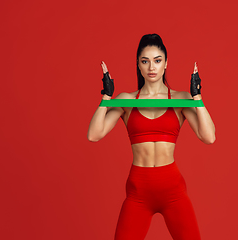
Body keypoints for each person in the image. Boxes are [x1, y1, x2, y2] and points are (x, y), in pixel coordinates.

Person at [87, 33, 215, 240]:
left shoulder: (180, 98)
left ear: (166, 64)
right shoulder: (126, 100)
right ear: (138, 65)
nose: (151, 67)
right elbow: (94, 134)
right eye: (145, 61)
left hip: (172, 189)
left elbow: (208, 137)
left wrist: (197, 97)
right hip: (139, 190)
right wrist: (106, 97)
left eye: (157, 61)